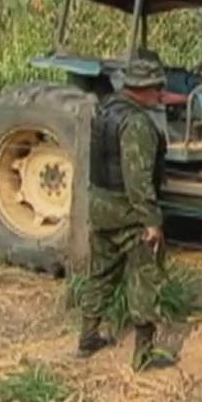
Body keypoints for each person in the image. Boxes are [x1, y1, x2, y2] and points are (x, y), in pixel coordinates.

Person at [78, 58, 178, 373]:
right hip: (127, 212)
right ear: (145, 89)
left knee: (101, 274)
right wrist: (151, 221)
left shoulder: (105, 109)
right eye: (158, 88)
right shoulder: (137, 124)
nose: (161, 94)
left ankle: (88, 337)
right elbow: (138, 179)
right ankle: (144, 354)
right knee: (144, 278)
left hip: (99, 204)